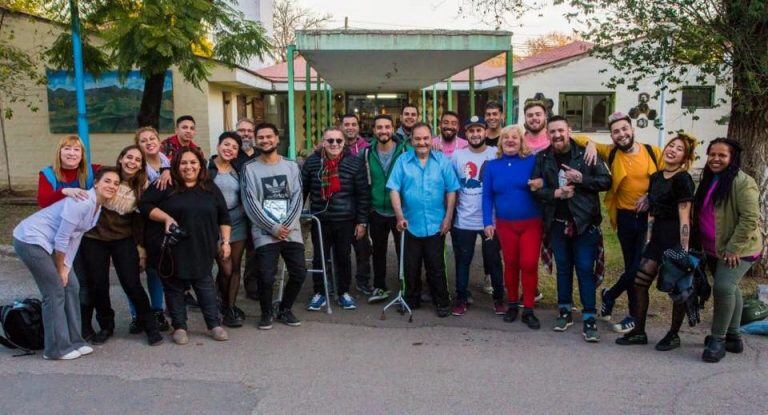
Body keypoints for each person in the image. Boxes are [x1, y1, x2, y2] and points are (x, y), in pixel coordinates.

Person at [13, 167, 120, 360]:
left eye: (115, 183)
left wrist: (66, 267)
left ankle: (75, 340)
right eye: (107, 181)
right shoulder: (82, 202)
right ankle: (55, 349)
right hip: (30, 240)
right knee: (54, 291)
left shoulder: (97, 207)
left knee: (72, 286)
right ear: (96, 183)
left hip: (51, 244)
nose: (111, 185)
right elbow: (62, 239)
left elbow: (74, 238)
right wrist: (60, 267)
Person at [574, 112, 663, 334]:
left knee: (639, 268)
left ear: (632, 130)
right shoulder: (611, 152)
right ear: (612, 136)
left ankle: (610, 294)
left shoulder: (653, 152)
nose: (621, 134)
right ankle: (633, 316)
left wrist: (651, 197)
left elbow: (667, 179)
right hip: (624, 218)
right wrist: (592, 144)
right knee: (631, 267)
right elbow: (577, 137)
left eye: (624, 129)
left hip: (648, 219)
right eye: (616, 132)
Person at [530, 116, 611, 342]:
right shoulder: (543, 157)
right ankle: (564, 310)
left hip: (584, 224)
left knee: (585, 269)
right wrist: (555, 193)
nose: (557, 135)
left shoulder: (586, 153)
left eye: (561, 131)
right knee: (563, 269)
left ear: (569, 131)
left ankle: (589, 316)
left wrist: (582, 178)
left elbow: (606, 181)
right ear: (547, 134)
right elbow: (534, 189)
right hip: (556, 224)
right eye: (552, 131)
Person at [140, 147, 230, 345]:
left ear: (200, 165)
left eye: (193, 162)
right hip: (173, 248)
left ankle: (214, 324)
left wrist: (225, 242)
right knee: (174, 288)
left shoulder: (209, 187)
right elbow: (144, 206)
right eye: (183, 163)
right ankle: (179, 326)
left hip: (202, 247)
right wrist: (165, 217)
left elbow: (224, 216)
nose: (188, 167)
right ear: (176, 166)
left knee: (205, 286)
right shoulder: (165, 185)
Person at [615, 134, 697, 349]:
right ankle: (639, 331)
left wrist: (684, 249)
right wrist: (649, 239)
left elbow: (685, 216)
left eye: (679, 149)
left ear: (685, 157)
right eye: (671, 145)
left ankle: (673, 335)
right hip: (656, 239)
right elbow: (651, 211)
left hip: (675, 240)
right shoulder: (657, 177)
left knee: (677, 290)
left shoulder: (683, 179)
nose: (672, 150)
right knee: (639, 282)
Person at [77, 146, 163, 346]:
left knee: (131, 283)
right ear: (121, 158)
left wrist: (141, 247)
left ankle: (150, 325)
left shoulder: (142, 186)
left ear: (142, 165)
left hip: (123, 239)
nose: (132, 162)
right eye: (129, 157)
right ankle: (106, 326)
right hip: (94, 238)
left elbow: (140, 221)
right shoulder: (107, 175)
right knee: (98, 285)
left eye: (137, 160)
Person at [693, 138, 763, 362]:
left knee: (723, 288)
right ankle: (733, 337)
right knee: (732, 289)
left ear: (732, 158)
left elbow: (750, 219)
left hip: (738, 249)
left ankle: (718, 339)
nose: (715, 159)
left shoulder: (743, 182)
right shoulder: (710, 179)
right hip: (715, 248)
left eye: (722, 155)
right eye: (712, 154)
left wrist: (733, 249)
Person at [387, 122, 459, 317]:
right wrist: (399, 215)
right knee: (410, 266)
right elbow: (394, 188)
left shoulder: (442, 161)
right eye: (417, 139)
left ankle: (442, 301)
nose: (422, 142)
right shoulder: (402, 161)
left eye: (426, 138)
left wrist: (448, 217)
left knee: (436, 266)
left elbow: (452, 189)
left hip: (436, 225)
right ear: (411, 141)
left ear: (431, 139)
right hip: (411, 224)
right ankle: (410, 300)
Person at [241, 122, 307, 329]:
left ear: (277, 139)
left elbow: (298, 196)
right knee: (266, 276)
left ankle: (285, 308)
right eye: (261, 137)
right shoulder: (249, 168)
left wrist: (285, 225)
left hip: (291, 230)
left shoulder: (291, 165)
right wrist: (273, 227)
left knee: (299, 273)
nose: (265, 140)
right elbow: (250, 202)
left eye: (269, 136)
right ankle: (266, 312)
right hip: (264, 232)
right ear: (255, 140)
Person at [302, 127, 371, 311]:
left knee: (343, 257)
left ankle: (343, 292)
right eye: (330, 140)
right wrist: (298, 216)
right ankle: (320, 293)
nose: (334, 144)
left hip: (345, 219)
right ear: (323, 142)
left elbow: (363, 195)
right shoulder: (312, 162)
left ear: (344, 142)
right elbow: (302, 190)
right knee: (320, 257)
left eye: (338, 141)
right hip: (319, 219)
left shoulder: (354, 163)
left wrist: (361, 222)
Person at [482, 124, 542, 328]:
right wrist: (487, 222)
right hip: (505, 225)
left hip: (531, 223)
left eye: (514, 137)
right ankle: (513, 305)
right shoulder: (491, 165)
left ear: (521, 141)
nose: (510, 140)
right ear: (500, 141)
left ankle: (529, 309)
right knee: (511, 264)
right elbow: (487, 196)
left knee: (529, 263)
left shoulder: (532, 161)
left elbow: (547, 178)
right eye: (506, 137)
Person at [449, 116, 504, 316]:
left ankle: (499, 299)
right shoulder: (457, 156)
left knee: (494, 261)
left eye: (479, 130)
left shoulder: (495, 154)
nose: (475, 134)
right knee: (463, 261)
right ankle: (461, 298)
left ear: (485, 132)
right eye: (471, 131)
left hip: (490, 220)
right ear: (466, 134)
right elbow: (451, 186)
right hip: (464, 220)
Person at [361, 114, 410, 304]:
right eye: (379, 127)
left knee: (404, 251)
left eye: (387, 127)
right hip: (377, 211)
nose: (383, 131)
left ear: (393, 128)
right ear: (374, 130)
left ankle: (405, 288)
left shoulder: (405, 150)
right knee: (379, 252)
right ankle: (380, 287)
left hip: (400, 211)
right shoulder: (366, 153)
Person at [132, 127, 171, 333]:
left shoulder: (168, 162)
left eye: (152, 138)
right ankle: (137, 315)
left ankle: (157, 311)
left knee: (155, 270)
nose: (149, 143)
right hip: (138, 224)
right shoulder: (137, 166)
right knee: (135, 270)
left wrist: (168, 171)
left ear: (159, 140)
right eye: (143, 140)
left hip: (159, 224)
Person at [209, 132, 248, 328]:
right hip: (215, 224)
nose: (229, 149)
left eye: (234, 147)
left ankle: (229, 307)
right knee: (225, 267)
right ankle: (220, 300)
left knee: (235, 267)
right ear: (218, 146)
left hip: (238, 222)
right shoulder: (206, 169)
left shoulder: (238, 169)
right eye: (226, 145)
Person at [341, 113, 373, 294]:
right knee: (341, 249)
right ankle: (340, 283)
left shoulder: (367, 148)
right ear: (341, 126)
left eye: (353, 124)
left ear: (358, 127)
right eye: (347, 124)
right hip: (341, 206)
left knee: (363, 247)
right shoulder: (333, 144)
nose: (350, 127)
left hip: (361, 203)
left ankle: (363, 281)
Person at [37, 135, 100, 208]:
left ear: (82, 154)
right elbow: (43, 202)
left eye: (76, 149)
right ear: (59, 152)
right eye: (67, 149)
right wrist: (65, 191)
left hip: (87, 217)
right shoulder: (48, 174)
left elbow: (114, 173)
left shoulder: (93, 170)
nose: (72, 153)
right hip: (57, 217)